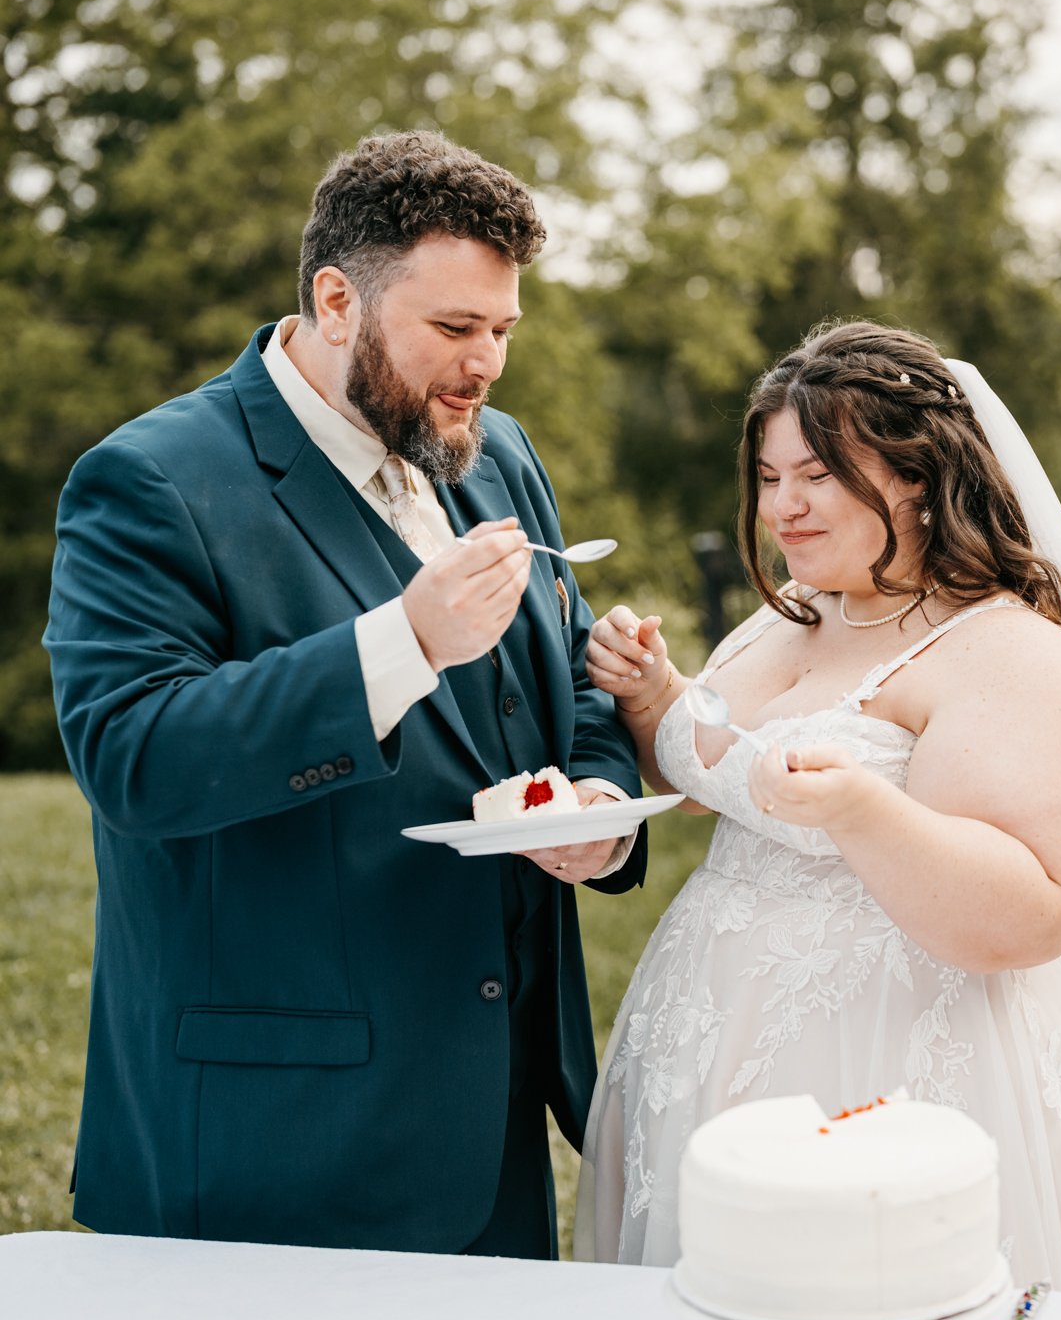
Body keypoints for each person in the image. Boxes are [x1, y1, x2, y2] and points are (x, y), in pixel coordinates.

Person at [575, 322, 1061, 1301]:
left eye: (818, 473)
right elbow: (725, 765)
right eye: (771, 475)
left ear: (913, 474)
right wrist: (655, 693)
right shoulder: (796, 605)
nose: (783, 505)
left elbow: (1035, 910)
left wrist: (863, 809)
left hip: (912, 1054)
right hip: (713, 1030)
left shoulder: (1011, 654)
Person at [45, 130, 646, 1259]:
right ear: (335, 300)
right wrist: (402, 642)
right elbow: (132, 757)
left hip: (490, 1116)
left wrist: (599, 813)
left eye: (504, 328)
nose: (487, 364)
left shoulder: (497, 453)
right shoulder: (149, 480)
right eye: (455, 329)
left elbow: (564, 678)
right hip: (274, 1136)